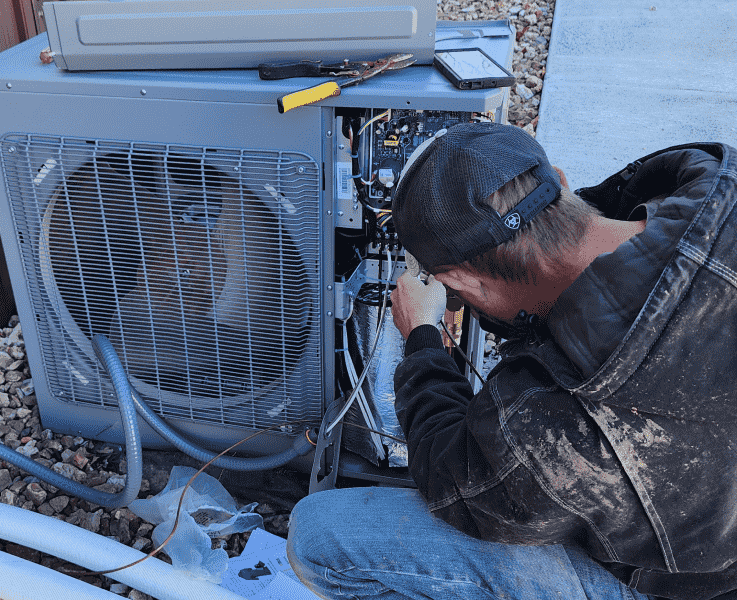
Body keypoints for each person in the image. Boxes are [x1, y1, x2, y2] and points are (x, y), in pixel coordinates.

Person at [286, 122, 737, 600]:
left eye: (459, 292)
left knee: (320, 536)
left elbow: (457, 482)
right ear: (559, 183)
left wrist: (422, 341)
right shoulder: (712, 190)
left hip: (694, 587)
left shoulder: (552, 423)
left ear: (466, 282)